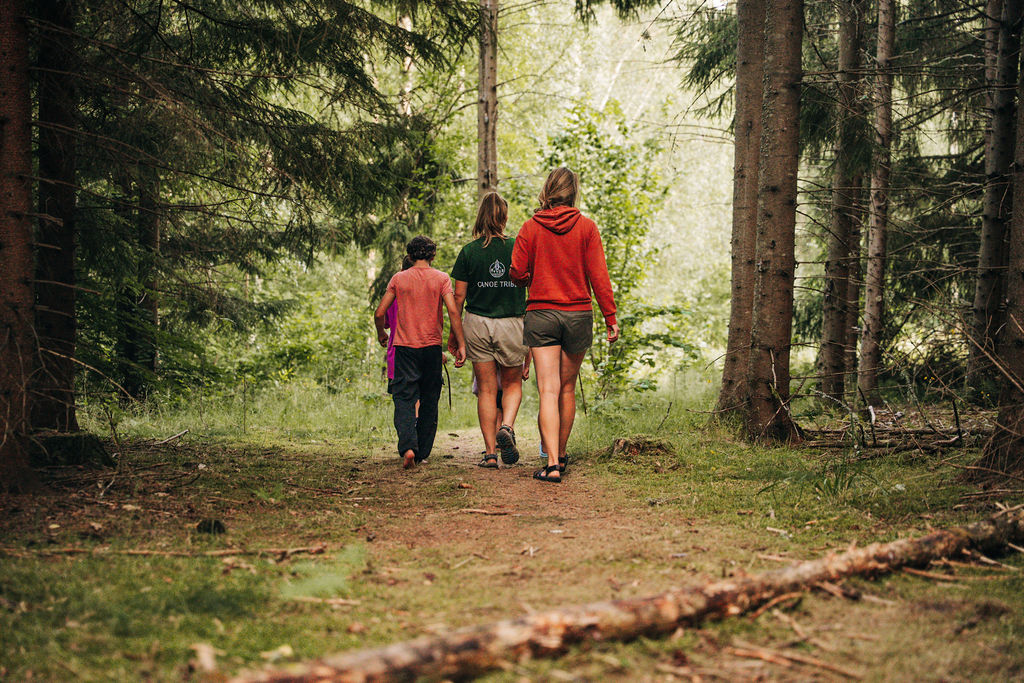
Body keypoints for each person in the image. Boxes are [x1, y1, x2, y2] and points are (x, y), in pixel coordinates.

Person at [510, 167, 619, 483]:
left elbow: (516, 271)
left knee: (548, 389)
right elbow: (599, 275)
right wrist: (610, 317)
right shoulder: (587, 227)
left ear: (548, 190)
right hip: (578, 315)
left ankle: (552, 463)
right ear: (573, 193)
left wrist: (530, 277)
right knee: (567, 388)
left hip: (542, 314)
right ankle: (562, 452)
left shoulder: (530, 227)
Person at [449, 192, 530, 468]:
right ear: (504, 217)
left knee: (485, 389)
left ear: (480, 217)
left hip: (477, 323)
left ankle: (490, 453)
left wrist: (455, 335)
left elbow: (458, 298)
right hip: (512, 323)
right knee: (512, 384)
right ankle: (506, 426)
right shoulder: (518, 247)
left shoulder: (469, 252)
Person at [375, 236, 466, 470]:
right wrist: (461, 344)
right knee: (429, 399)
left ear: (410, 255)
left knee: (404, 398)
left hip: (405, 348)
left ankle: (408, 447)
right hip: (431, 348)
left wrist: (381, 334)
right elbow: (453, 312)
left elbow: (379, 313)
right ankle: (422, 452)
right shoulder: (441, 278)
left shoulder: (398, 279)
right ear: (433, 255)